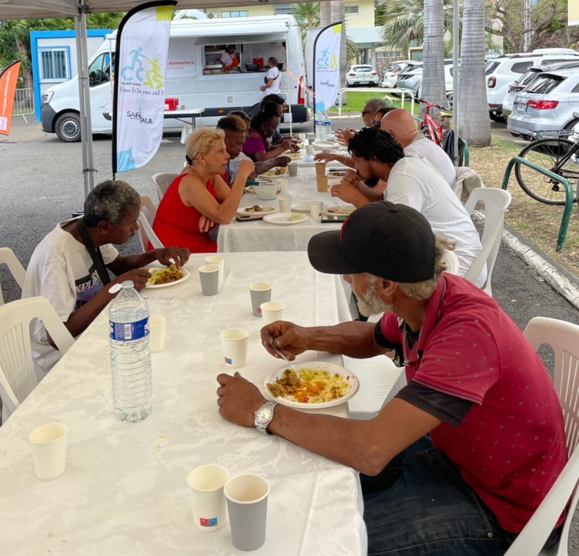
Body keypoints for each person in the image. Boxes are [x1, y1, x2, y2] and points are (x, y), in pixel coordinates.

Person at [216, 203, 567, 556]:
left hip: (502, 511)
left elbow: (370, 450)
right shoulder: (426, 297)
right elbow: (372, 339)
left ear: (385, 284)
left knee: (325, 539)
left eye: (350, 272)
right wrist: (308, 336)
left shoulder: (468, 334)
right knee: (306, 482)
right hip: (458, 458)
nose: (344, 280)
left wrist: (261, 411)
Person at [22, 179, 189, 371]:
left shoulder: (89, 231)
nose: (136, 228)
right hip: (57, 356)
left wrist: (154, 254)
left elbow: (121, 266)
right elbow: (58, 336)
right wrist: (114, 288)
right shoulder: (57, 255)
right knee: (145, 362)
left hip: (88, 330)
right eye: (132, 223)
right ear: (104, 227)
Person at [332, 127, 483, 281]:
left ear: (374, 159)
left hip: (456, 264)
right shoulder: (406, 163)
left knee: (356, 271)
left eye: (357, 161)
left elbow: (396, 232)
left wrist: (355, 197)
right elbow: (387, 207)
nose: (355, 167)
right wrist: (359, 188)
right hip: (447, 254)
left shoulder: (404, 175)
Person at [152, 127, 255, 252]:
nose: (227, 156)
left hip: (195, 243)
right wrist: (241, 176)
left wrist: (211, 212)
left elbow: (232, 203)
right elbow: (225, 216)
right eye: (221, 151)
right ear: (202, 158)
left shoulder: (210, 175)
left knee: (246, 246)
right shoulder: (189, 182)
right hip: (175, 251)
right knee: (245, 248)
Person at [381, 108, 455, 186]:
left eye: (382, 135)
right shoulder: (424, 145)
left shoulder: (409, 156)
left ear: (390, 134)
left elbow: (387, 191)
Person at [217, 114, 289, 183]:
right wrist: (242, 180)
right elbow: (223, 194)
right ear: (222, 140)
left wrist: (244, 180)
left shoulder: (227, 160)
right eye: (238, 144)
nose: (241, 149)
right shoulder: (214, 165)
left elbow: (226, 190)